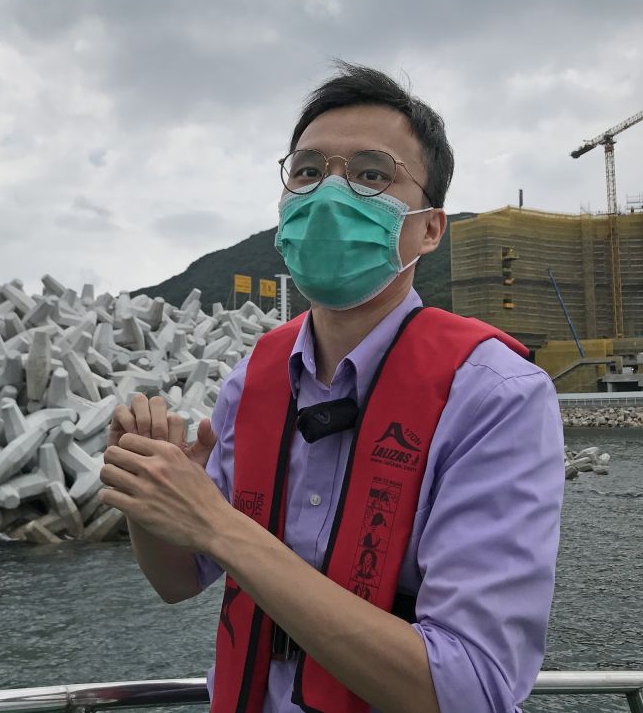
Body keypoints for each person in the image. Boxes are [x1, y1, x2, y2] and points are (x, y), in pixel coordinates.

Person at [100, 61, 564, 713]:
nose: (330, 195)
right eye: (308, 172)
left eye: (372, 175)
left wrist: (219, 526)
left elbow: (473, 692)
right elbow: (179, 580)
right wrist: (150, 498)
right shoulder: (254, 380)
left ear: (430, 227)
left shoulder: (495, 397)